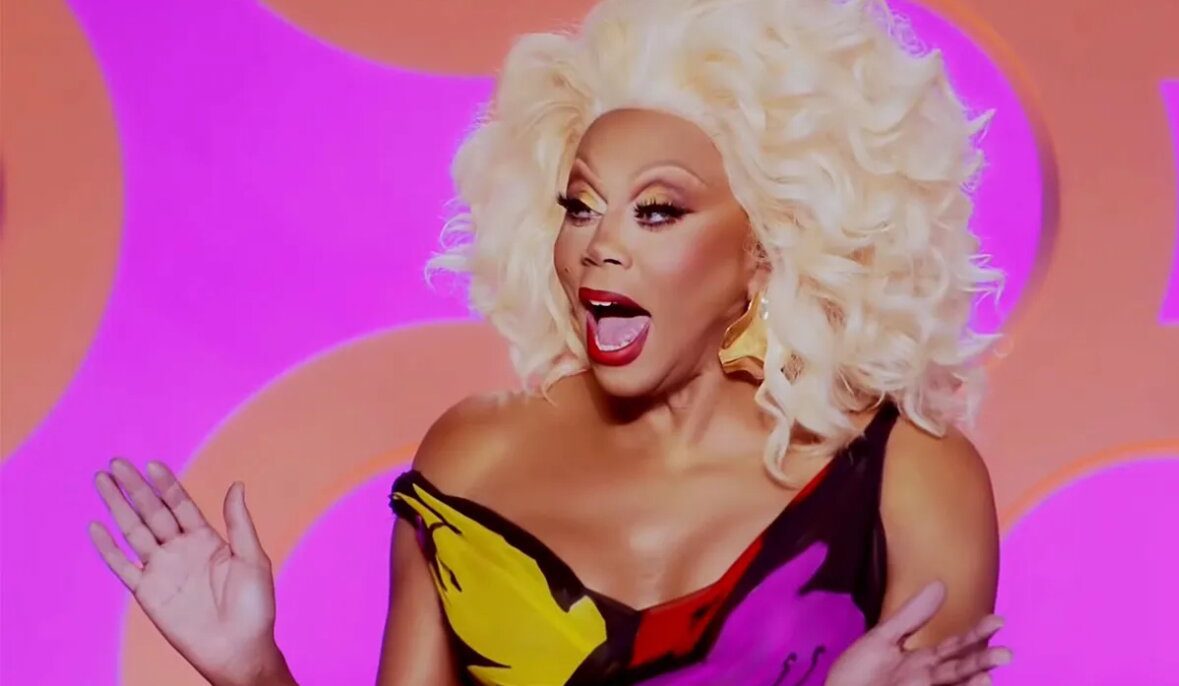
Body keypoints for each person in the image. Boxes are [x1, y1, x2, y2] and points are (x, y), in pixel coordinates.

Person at [89, 0, 1014, 684]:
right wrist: (251, 670)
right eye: (580, 206)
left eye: (658, 210)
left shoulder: (908, 478)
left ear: (766, 248)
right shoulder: (474, 459)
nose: (599, 245)